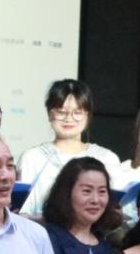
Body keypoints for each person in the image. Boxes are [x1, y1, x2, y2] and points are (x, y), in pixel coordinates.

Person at [18, 80, 121, 217]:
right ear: (49, 114)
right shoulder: (32, 158)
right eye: (61, 112)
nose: (68, 118)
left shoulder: (107, 158)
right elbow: (22, 213)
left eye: (77, 112)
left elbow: (115, 211)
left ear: (88, 115)